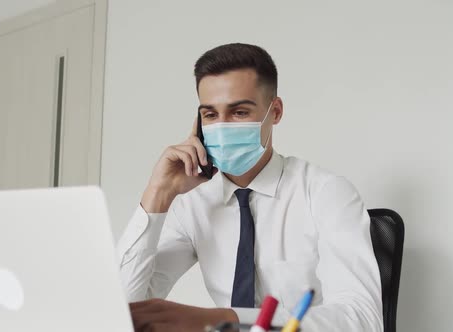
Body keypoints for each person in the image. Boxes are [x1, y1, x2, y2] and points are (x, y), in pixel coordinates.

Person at [118, 43, 383, 332]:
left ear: (276, 111)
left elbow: (363, 319)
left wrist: (230, 320)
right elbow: (122, 310)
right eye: (210, 115)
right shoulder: (194, 204)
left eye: (239, 112)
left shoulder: (325, 193)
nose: (222, 126)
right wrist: (158, 194)